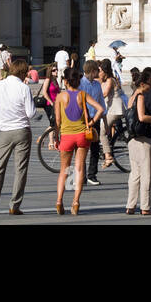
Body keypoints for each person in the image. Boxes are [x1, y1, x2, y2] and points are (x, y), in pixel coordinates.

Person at [0, 58, 35, 215]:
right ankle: (14, 205)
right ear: (23, 72)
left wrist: (0, 114)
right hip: (21, 130)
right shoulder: (24, 88)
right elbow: (31, 113)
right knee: (20, 169)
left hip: (4, 131)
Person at [53, 68, 105, 216]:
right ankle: (75, 202)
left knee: (64, 170)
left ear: (65, 81)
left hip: (67, 136)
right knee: (79, 169)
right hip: (82, 134)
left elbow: (57, 120)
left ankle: (59, 201)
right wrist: (91, 122)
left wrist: (56, 137)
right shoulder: (83, 95)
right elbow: (100, 109)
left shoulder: (60, 96)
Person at [125, 68, 151, 215]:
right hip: (143, 138)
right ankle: (145, 207)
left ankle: (131, 205)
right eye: (149, 83)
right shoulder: (141, 96)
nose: (150, 86)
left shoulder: (132, 97)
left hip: (132, 138)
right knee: (146, 173)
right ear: (142, 83)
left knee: (134, 174)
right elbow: (142, 117)